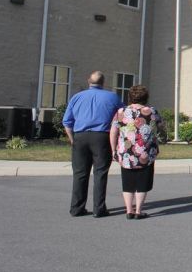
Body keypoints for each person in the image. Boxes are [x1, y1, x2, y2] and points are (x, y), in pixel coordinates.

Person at [63, 71, 124, 218]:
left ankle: (76, 208)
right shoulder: (113, 97)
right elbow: (123, 116)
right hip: (102, 137)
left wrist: (72, 139)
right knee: (100, 173)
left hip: (80, 136)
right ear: (103, 82)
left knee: (79, 174)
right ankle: (99, 208)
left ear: (88, 81)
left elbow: (67, 122)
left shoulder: (77, 97)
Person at [109, 85, 164, 219]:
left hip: (126, 152)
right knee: (142, 182)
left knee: (127, 182)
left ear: (130, 97)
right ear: (146, 97)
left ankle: (129, 210)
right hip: (146, 152)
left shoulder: (121, 112)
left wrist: (113, 149)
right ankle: (138, 211)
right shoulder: (152, 111)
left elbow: (113, 131)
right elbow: (161, 127)